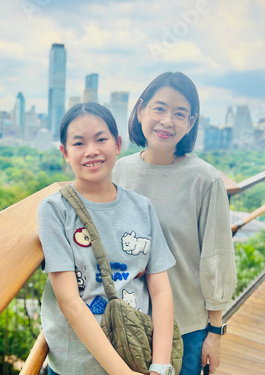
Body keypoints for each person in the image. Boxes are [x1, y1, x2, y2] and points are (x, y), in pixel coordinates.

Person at [112, 72, 237, 375]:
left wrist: (215, 332)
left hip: (186, 326)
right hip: (129, 321)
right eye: (159, 108)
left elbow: (216, 257)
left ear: (191, 122)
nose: (167, 121)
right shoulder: (120, 171)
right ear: (141, 110)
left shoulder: (204, 180)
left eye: (179, 113)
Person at [38, 102, 177, 375]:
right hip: (78, 366)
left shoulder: (142, 208)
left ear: (118, 144)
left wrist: (160, 366)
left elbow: (160, 289)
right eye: (79, 143)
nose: (91, 150)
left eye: (101, 139)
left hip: (138, 355)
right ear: (65, 153)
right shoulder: (55, 210)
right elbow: (69, 301)